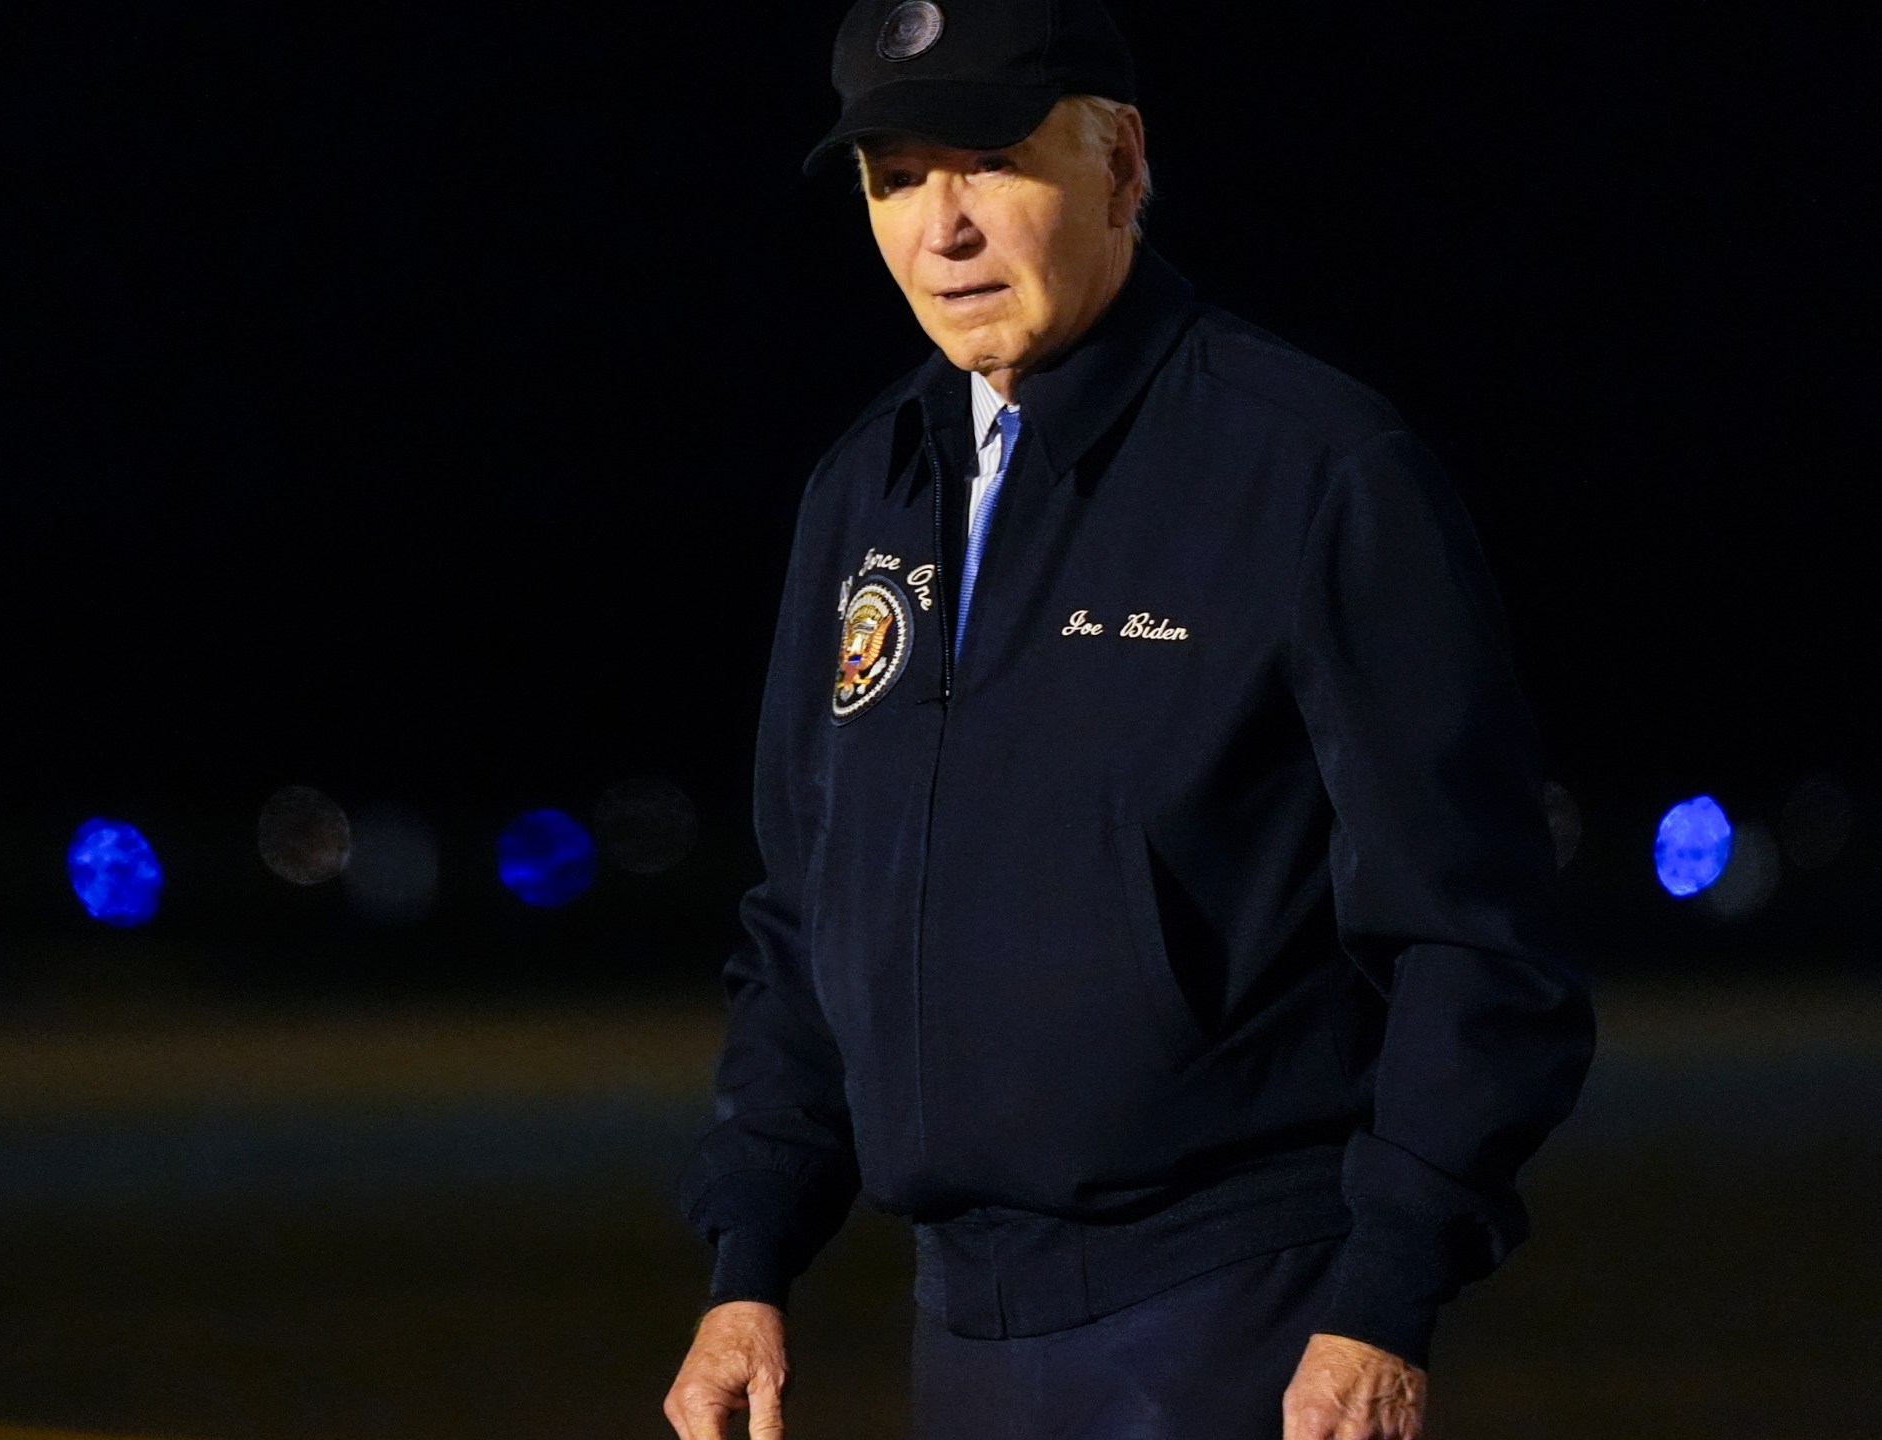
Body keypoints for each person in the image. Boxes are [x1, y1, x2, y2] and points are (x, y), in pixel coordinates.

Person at [664, 2, 1596, 1436]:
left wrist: (1385, 1294)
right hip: (960, 1331)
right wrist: (750, 1262)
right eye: (897, 178)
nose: (943, 228)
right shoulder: (863, 494)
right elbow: (806, 919)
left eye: (988, 160)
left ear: (1122, 163)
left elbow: (1480, 941)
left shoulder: (1312, 472)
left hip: (1243, 1325)